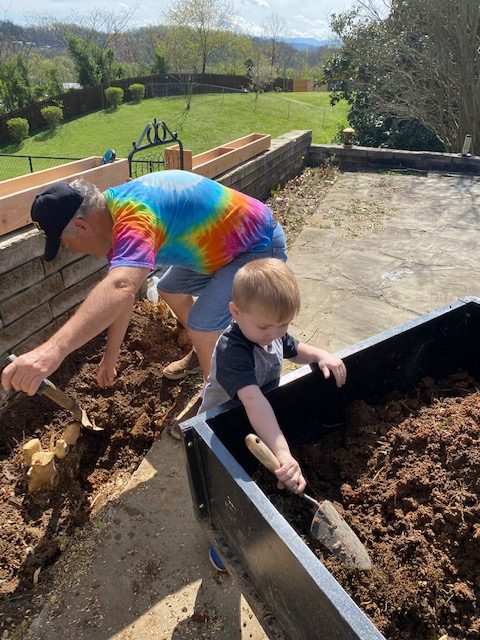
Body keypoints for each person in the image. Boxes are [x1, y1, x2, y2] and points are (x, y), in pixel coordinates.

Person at [1, 171, 287, 398]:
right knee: (169, 287)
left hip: (257, 246)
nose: (72, 250)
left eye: (66, 244)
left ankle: (220, 402)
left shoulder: (134, 216)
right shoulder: (113, 214)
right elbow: (125, 294)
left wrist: (51, 351)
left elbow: (121, 286)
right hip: (223, 250)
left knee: (202, 323)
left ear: (81, 226)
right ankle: (206, 352)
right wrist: (110, 359)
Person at [198, 258, 347, 572]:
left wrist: (321, 356)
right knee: (228, 484)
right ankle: (221, 544)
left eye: (283, 325)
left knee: (257, 472)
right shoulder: (232, 350)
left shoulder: (272, 332)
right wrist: (283, 452)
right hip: (223, 424)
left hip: (256, 420)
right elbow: (252, 402)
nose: (275, 334)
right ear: (236, 313)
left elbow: (295, 349)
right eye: (265, 326)